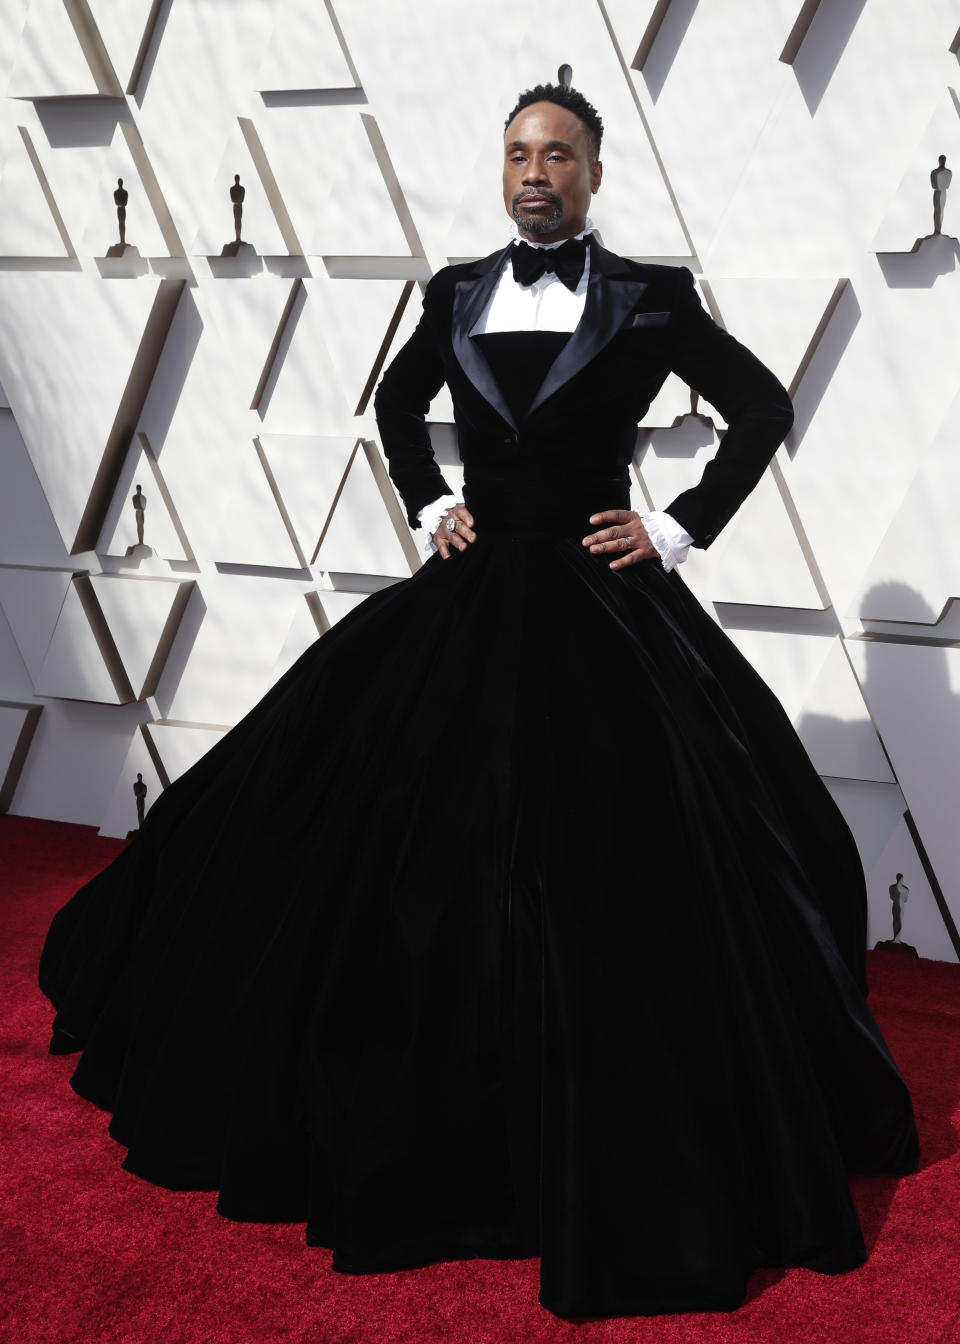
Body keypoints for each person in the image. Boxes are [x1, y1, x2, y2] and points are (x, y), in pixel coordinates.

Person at [38, 83, 919, 1320]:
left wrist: (672, 528)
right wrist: (424, 502)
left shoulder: (650, 296)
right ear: (500, 170)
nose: (535, 173)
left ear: (594, 175)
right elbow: (400, 406)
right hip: (466, 598)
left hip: (603, 614)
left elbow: (762, 407)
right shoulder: (455, 291)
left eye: (558, 155)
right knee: (384, 852)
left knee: (637, 873)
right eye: (517, 154)